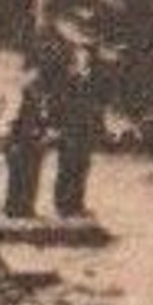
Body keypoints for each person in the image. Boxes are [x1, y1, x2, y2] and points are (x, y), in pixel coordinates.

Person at [3, 36, 67, 219]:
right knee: (20, 173)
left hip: (32, 139)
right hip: (22, 138)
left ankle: (23, 209)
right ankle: (16, 209)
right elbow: (14, 118)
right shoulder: (26, 93)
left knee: (31, 174)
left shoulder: (44, 92)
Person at [53, 41, 105, 218]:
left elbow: (99, 107)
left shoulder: (95, 80)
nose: (82, 60)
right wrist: (56, 125)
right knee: (66, 165)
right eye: (79, 57)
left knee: (82, 166)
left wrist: (99, 129)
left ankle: (76, 204)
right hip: (69, 128)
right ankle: (62, 205)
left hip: (86, 129)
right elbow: (58, 103)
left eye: (85, 57)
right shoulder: (68, 79)